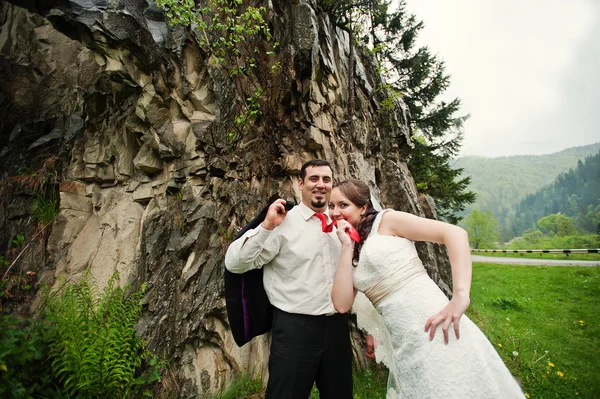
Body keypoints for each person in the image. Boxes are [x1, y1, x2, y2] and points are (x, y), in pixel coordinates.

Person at [330, 179, 524, 399]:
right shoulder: (348, 247)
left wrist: (461, 296)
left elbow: (455, 234)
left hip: (433, 320)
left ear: (363, 207)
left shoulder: (387, 221)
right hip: (403, 340)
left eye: (343, 205)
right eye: (331, 206)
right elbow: (342, 304)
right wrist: (347, 248)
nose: (335, 212)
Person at [225, 160, 352, 399]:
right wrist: (266, 226)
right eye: (314, 179)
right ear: (300, 183)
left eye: (326, 179)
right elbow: (235, 263)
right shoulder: (281, 223)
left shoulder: (343, 224)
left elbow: (356, 274)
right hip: (295, 328)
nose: (321, 185)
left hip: (337, 328)